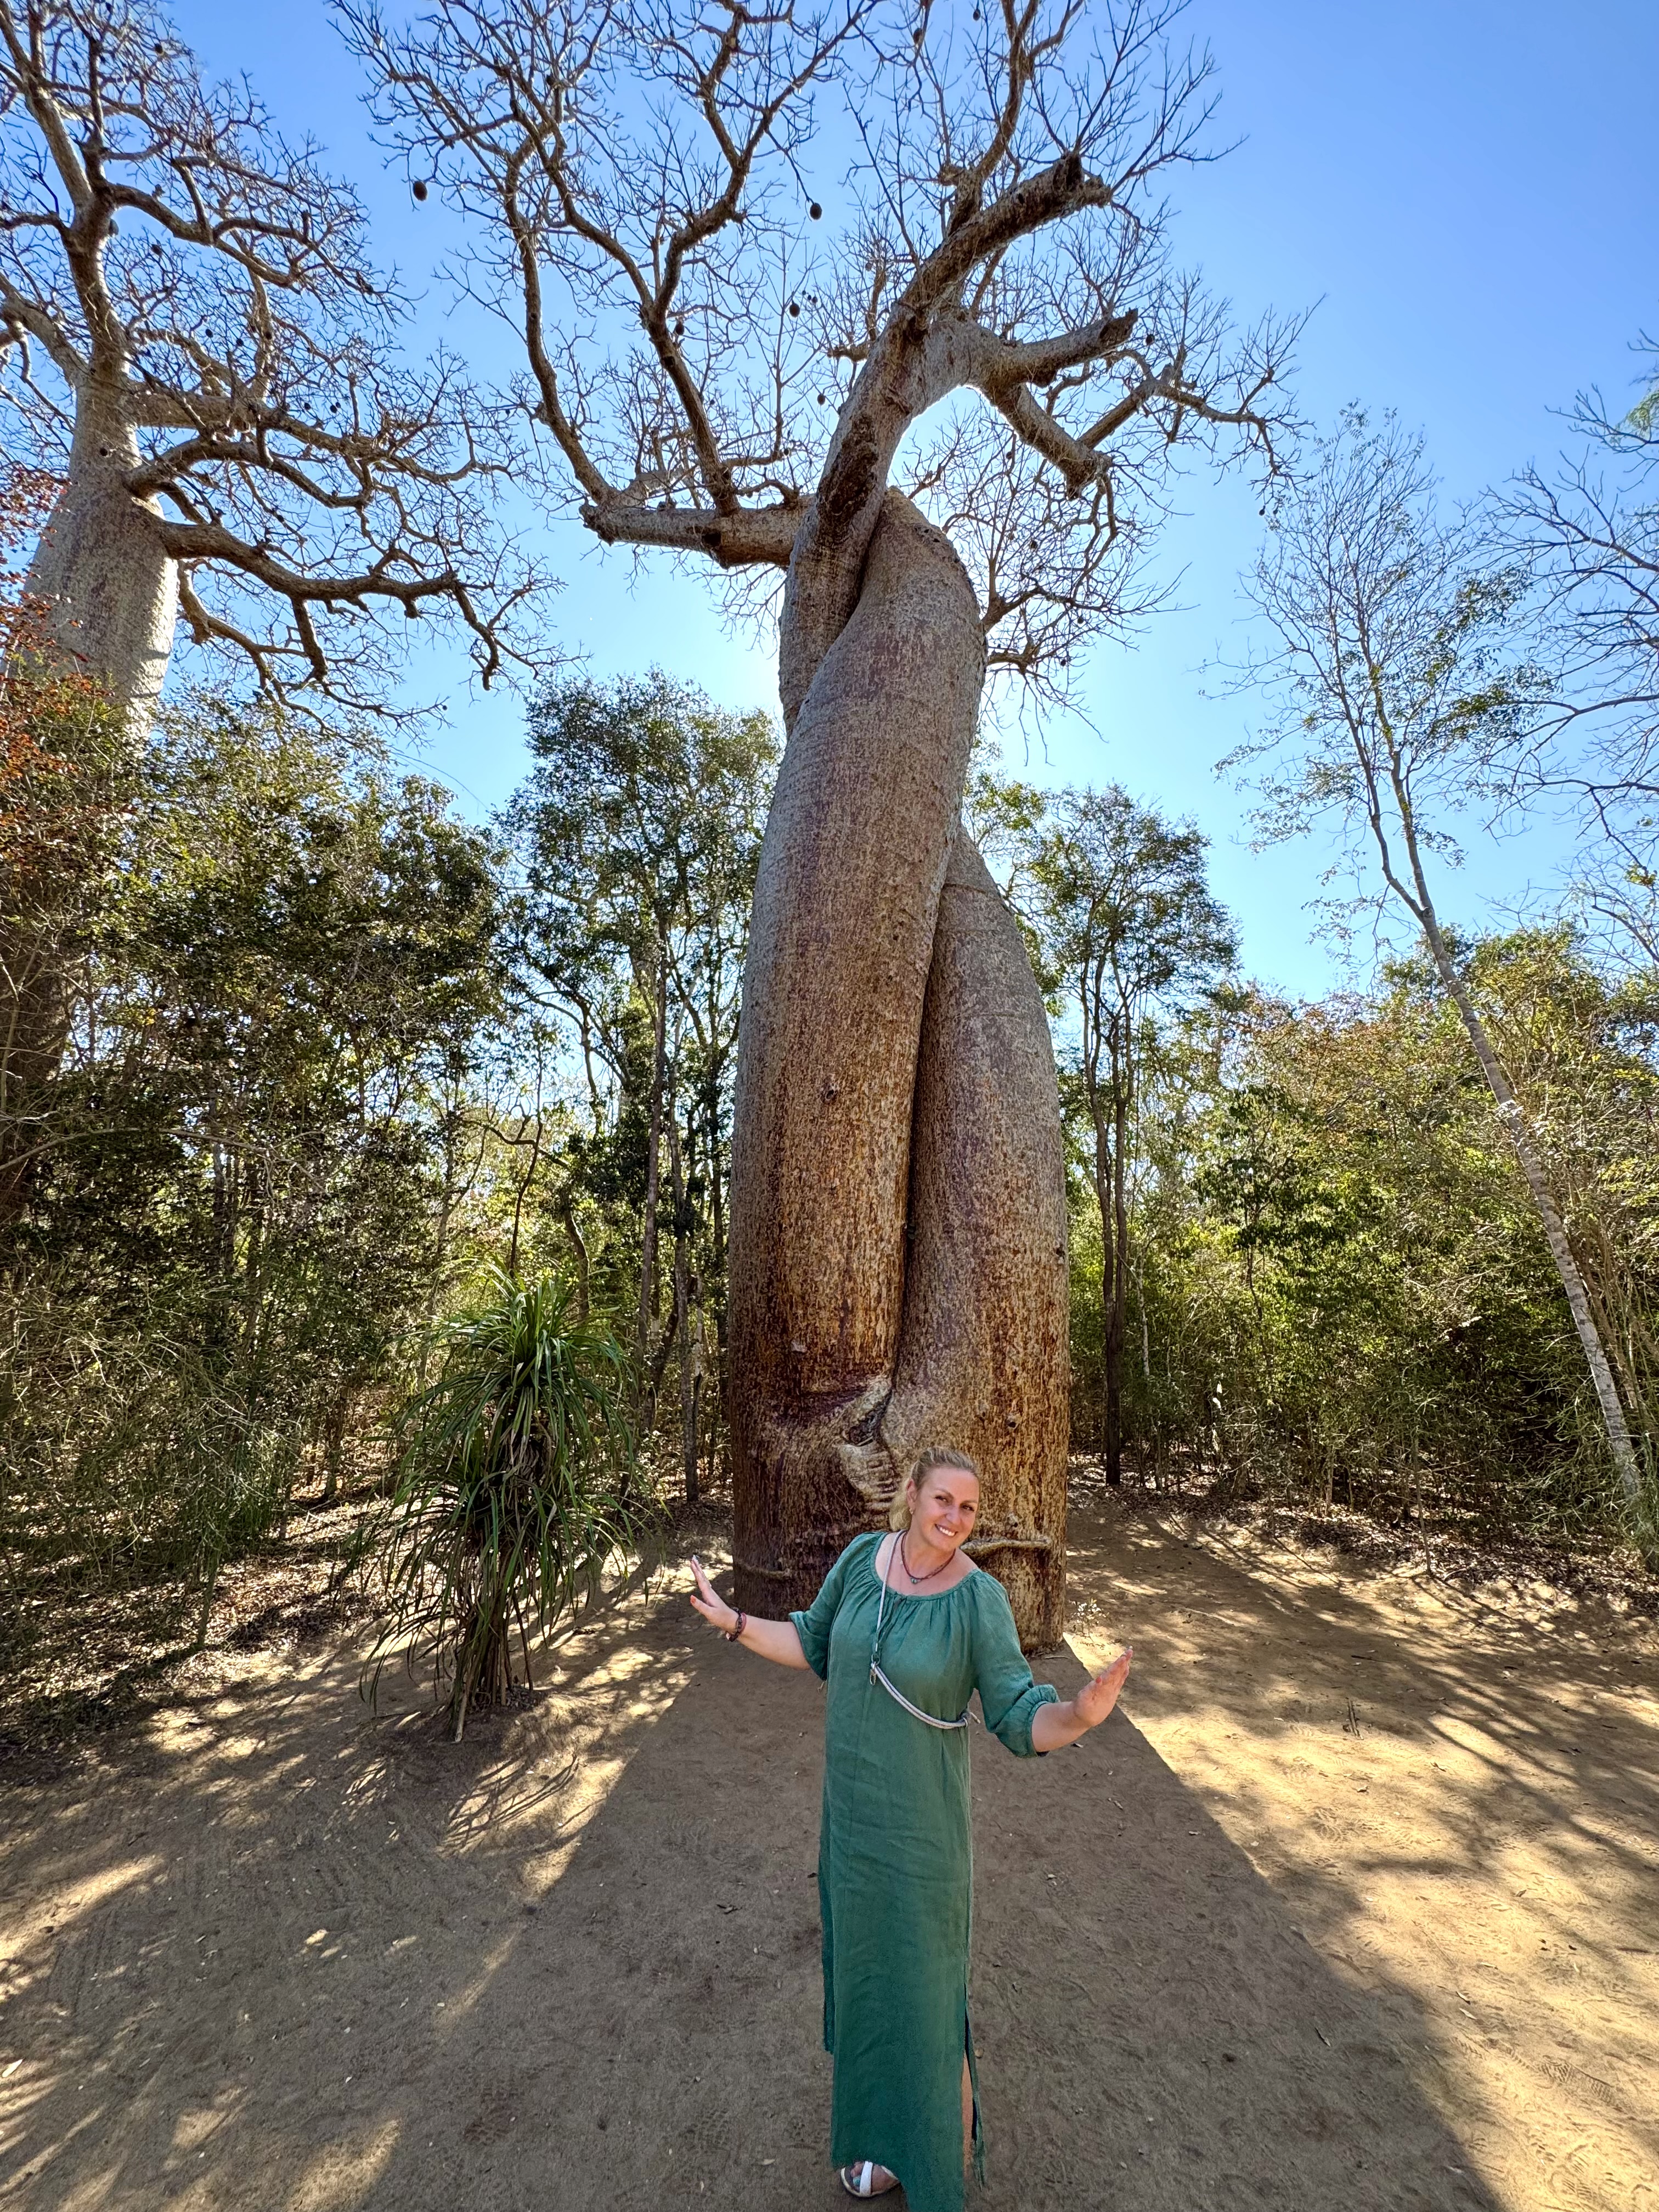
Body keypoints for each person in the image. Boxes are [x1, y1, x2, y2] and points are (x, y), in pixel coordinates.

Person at [690, 1446, 1132, 2208]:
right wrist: (733, 1621)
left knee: (927, 2000)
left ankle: (932, 2162)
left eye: (968, 1507)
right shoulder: (864, 1560)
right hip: (852, 1833)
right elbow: (813, 1641)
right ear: (910, 1493)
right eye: (943, 1501)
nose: (955, 1518)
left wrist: (1081, 1716)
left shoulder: (978, 1602)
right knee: (868, 1987)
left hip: (924, 1841)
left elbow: (1020, 1716)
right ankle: (879, 2142)